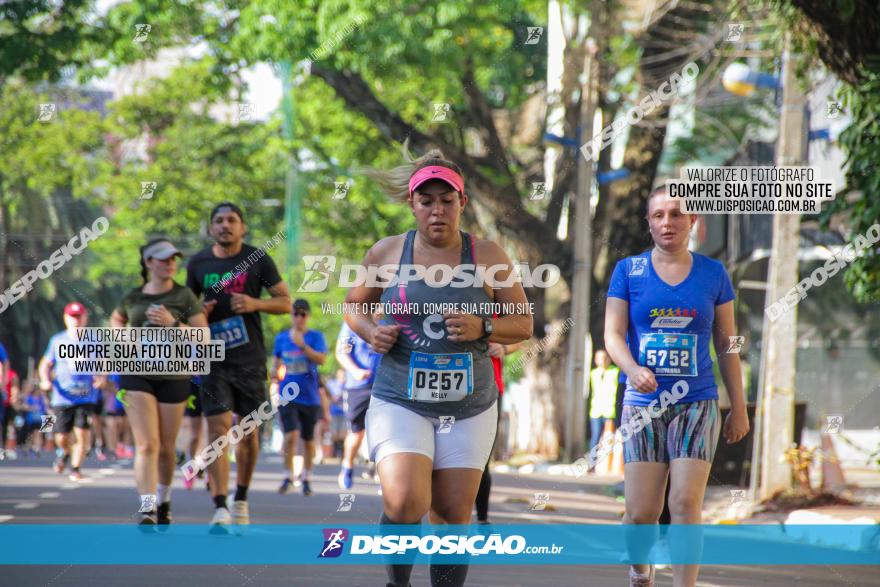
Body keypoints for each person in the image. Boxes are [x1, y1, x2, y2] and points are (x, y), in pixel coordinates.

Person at [345, 147, 532, 587]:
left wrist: (483, 325)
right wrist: (371, 332)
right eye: (426, 201)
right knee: (406, 501)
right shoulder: (387, 253)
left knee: (451, 517)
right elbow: (353, 307)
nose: (437, 210)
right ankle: (398, 582)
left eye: (447, 201)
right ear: (412, 204)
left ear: (462, 204)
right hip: (400, 397)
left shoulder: (488, 257)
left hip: (469, 404)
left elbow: (523, 323)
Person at [604, 186, 750, 587]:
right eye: (658, 215)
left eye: (676, 214)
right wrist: (632, 368)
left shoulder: (713, 273)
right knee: (641, 512)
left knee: (685, 502)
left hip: (697, 401)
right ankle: (640, 571)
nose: (667, 222)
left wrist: (737, 405)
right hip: (643, 403)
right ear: (649, 223)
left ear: (692, 222)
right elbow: (613, 335)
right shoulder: (628, 271)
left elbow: (727, 343)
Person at [186, 202, 291, 529]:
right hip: (213, 360)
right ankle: (219, 505)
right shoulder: (198, 263)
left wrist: (256, 303)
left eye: (232, 220)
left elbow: (286, 302)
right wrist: (198, 313)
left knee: (248, 433)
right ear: (211, 228)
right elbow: (184, 312)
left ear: (242, 227)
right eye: (218, 221)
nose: (225, 225)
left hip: (250, 360)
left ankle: (241, 497)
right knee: (217, 431)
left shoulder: (258, 259)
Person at [110, 238, 207, 525]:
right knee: (147, 444)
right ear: (149, 263)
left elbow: (203, 337)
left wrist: (173, 323)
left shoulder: (185, 296)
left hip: (174, 375)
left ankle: (164, 499)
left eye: (173, 258)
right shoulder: (132, 296)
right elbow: (116, 321)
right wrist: (123, 337)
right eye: (163, 259)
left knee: (166, 446)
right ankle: (147, 506)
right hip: (137, 374)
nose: (170, 263)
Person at [38, 302, 102, 482]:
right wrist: (45, 380)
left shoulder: (94, 340)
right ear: (66, 318)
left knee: (82, 432)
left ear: (85, 318)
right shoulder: (57, 340)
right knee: (61, 436)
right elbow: (45, 364)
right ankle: (64, 452)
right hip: (62, 397)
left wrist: (101, 377)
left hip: (86, 396)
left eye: (79, 316)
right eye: (72, 317)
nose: (76, 320)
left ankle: (76, 468)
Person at [272, 299, 328, 496]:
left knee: (308, 439)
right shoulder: (281, 339)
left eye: (303, 314)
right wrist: (273, 375)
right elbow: (276, 362)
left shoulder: (315, 337)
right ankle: (288, 475)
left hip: (310, 396)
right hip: (287, 395)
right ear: (291, 316)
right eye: (295, 313)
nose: (299, 317)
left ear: (308, 316)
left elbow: (321, 359)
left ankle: (306, 477)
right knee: (290, 435)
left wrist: (303, 346)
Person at [473, 337, 522, 524]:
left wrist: (504, 347)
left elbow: (520, 335)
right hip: (449, 390)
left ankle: (482, 521)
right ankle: (445, 527)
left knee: (483, 459)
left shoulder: (496, 306)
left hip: (491, 390)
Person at [335, 313, 381, 490]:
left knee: (384, 431)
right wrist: (355, 371)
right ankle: (347, 467)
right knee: (357, 433)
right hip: (358, 386)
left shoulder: (390, 321)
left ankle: (383, 474)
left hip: (384, 385)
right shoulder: (353, 323)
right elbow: (342, 353)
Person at [588, 349, 619, 454]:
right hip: (596, 410)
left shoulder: (615, 371)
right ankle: (592, 463)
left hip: (610, 411)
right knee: (595, 437)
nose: (603, 361)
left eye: (605, 358)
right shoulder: (593, 373)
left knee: (609, 438)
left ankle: (608, 464)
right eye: (600, 358)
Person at [183, 376, 206, 490]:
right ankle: (190, 469)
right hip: (194, 385)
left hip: (214, 381)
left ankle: (210, 474)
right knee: (195, 436)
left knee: (212, 433)